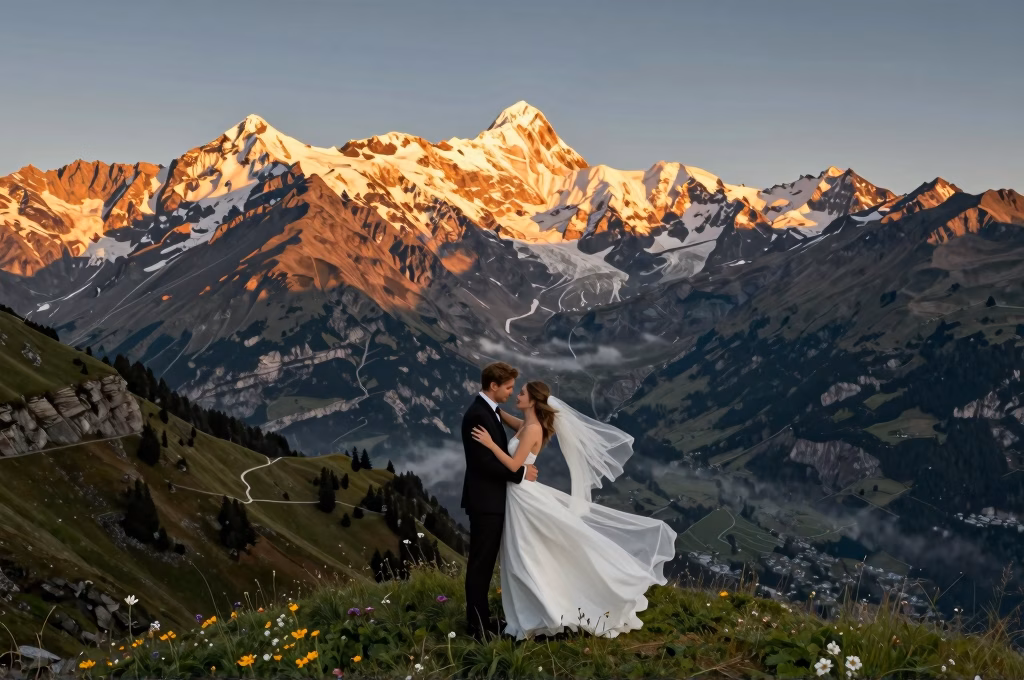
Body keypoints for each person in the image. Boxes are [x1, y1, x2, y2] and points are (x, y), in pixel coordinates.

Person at [470, 380, 676, 640]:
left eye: (521, 393)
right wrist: (495, 411)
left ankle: (544, 613)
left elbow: (513, 466)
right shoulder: (528, 426)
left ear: (532, 400)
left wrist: (490, 444)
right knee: (525, 555)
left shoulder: (533, 429)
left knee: (525, 555)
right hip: (519, 496)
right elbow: (516, 424)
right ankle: (538, 611)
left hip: (522, 498)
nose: (516, 396)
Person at [460, 362, 539, 639]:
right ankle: (476, 627)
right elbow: (484, 464)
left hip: (493, 499)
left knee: (484, 563)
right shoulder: (477, 416)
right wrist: (521, 473)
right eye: (507, 388)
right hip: (486, 501)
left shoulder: (488, 411)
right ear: (493, 386)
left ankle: (481, 619)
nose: (511, 392)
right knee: (480, 564)